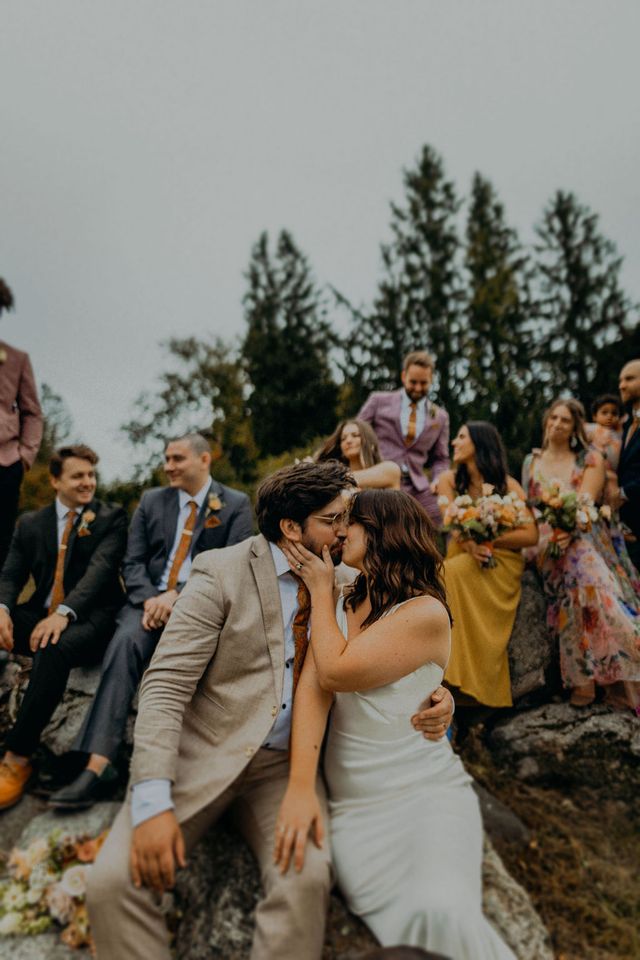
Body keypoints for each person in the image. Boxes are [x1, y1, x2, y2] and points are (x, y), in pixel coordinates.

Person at [86, 461, 453, 960]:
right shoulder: (220, 571)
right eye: (332, 519)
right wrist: (151, 798)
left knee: (304, 881)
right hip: (204, 752)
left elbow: (400, 645)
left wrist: (434, 694)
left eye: (347, 518)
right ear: (290, 527)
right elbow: (165, 686)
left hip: (286, 767)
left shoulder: (350, 576)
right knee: (112, 883)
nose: (345, 529)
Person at [274, 489, 515, 960]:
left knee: (440, 911)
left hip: (423, 797)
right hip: (356, 815)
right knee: (404, 929)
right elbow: (313, 689)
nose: (340, 531)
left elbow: (336, 672)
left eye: (350, 521)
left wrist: (322, 594)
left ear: (382, 531)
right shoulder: (347, 585)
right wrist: (301, 786)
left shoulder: (424, 612)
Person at [49, 433, 253, 811]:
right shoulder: (151, 501)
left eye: (177, 458)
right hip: (145, 605)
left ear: (204, 459)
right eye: (166, 458)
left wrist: (181, 597)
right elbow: (133, 561)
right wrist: (152, 599)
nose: (168, 466)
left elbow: (236, 567)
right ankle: (98, 765)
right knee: (124, 643)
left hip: (199, 608)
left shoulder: (236, 505)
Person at [0, 444, 127, 809]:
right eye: (78, 476)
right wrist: (3, 608)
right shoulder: (31, 525)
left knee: (51, 647)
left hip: (94, 618)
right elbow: (10, 573)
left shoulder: (111, 517)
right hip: (40, 614)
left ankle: (17, 760)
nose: (88, 483)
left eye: (91, 475)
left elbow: (99, 573)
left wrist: (65, 612)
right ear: (56, 480)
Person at [522, 398, 640, 712]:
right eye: (553, 418)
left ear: (575, 427)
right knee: (569, 578)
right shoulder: (530, 462)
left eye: (565, 420)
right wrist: (546, 539)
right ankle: (579, 677)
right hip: (541, 542)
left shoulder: (589, 459)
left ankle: (601, 674)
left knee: (589, 580)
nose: (557, 424)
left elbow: (584, 504)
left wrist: (564, 533)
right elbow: (528, 510)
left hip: (579, 535)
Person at [436, 422, 538, 710]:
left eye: (461, 437)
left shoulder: (509, 485)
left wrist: (490, 539)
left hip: (499, 562)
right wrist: (471, 543)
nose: (454, 442)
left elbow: (531, 534)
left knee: (445, 575)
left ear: (480, 444)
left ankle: (468, 683)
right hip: (462, 555)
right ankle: (447, 674)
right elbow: (452, 525)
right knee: (443, 576)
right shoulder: (448, 480)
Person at [357, 350, 449, 525]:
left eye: (424, 383)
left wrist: (438, 479)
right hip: (381, 481)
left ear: (431, 381)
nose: (418, 388)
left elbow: (441, 458)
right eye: (413, 382)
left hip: (418, 486)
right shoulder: (378, 401)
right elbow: (355, 432)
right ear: (403, 376)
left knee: (445, 516)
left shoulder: (441, 416)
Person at [0, 278, 43, 570]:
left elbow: (32, 412)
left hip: (5, 462)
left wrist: (25, 456)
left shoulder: (16, 359)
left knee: (1, 536)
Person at [315, 419, 401, 489]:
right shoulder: (335, 480)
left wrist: (313, 473)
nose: (348, 441)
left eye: (355, 435)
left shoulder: (390, 469)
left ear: (369, 442)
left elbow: (349, 479)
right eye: (343, 438)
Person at [617, 360, 640, 572]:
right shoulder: (625, 427)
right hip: (628, 531)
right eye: (620, 380)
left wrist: (623, 492)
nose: (622, 385)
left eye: (629, 379)